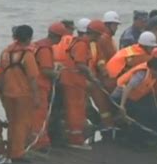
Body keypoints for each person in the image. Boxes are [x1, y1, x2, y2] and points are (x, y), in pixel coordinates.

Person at [60, 20, 106, 150]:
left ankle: (72, 137)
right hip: (73, 81)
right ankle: (75, 140)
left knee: (75, 109)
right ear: (96, 34)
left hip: (73, 80)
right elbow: (80, 64)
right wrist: (92, 77)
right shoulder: (82, 45)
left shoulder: (79, 42)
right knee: (76, 110)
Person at [0, 25, 40, 163]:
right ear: (29, 38)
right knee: (22, 123)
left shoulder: (5, 52)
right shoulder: (27, 55)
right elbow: (33, 78)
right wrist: (36, 97)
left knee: (12, 123)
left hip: (7, 93)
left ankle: (10, 151)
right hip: (23, 94)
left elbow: (0, 73)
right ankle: (18, 153)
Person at [30, 22, 68, 151]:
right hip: (40, 86)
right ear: (58, 37)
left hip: (32, 84)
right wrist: (57, 73)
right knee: (40, 115)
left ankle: (31, 141)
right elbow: (46, 70)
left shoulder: (37, 44)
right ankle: (39, 143)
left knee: (33, 115)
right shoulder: (45, 48)